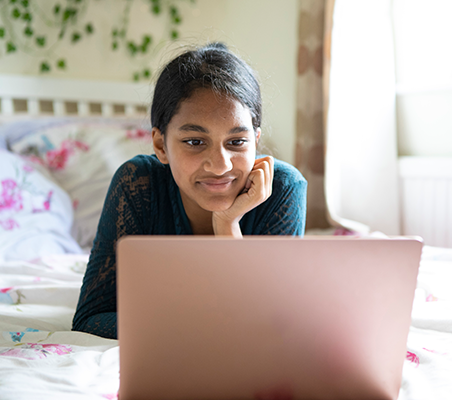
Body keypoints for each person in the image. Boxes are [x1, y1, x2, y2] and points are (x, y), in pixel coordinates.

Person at [72, 42, 307, 339]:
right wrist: (201, 325)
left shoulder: (283, 188)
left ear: (256, 140)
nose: (220, 166)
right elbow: (90, 318)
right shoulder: (137, 185)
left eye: (237, 142)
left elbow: (272, 325)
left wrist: (227, 225)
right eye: (195, 142)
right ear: (160, 145)